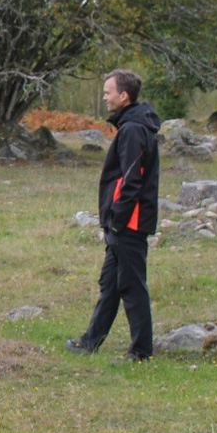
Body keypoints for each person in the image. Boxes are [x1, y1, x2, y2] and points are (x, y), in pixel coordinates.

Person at [66, 70, 160, 362]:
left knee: (132, 286)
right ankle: (90, 341)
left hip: (128, 224)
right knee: (110, 284)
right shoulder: (130, 126)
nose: (105, 97)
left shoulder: (133, 130)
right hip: (120, 223)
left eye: (108, 92)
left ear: (124, 96)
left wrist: (117, 219)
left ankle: (141, 351)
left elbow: (131, 180)